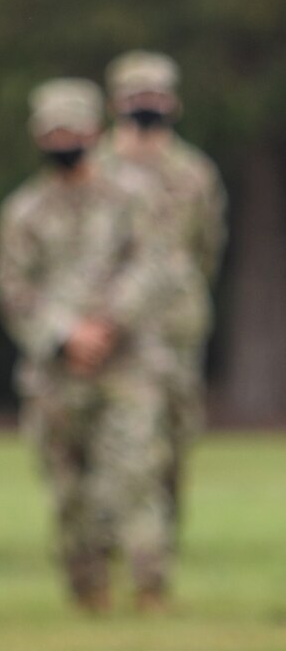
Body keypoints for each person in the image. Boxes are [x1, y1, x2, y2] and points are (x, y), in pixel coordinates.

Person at [0, 79, 170, 612]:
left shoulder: (133, 198)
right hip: (56, 373)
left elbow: (154, 265)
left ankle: (149, 588)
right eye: (54, 131)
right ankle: (90, 591)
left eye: (73, 129)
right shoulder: (23, 212)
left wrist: (107, 324)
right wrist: (65, 334)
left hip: (128, 362)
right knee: (69, 487)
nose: (64, 139)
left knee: (134, 474)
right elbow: (12, 287)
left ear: (95, 131)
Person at [96, 50, 227, 555]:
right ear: (115, 103)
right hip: (115, 332)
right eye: (136, 96)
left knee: (173, 444)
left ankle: (159, 554)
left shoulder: (195, 173)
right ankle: (109, 552)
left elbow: (207, 248)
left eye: (155, 95)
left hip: (176, 330)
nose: (146, 105)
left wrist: (185, 300)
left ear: (173, 102)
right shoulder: (99, 169)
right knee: (117, 448)